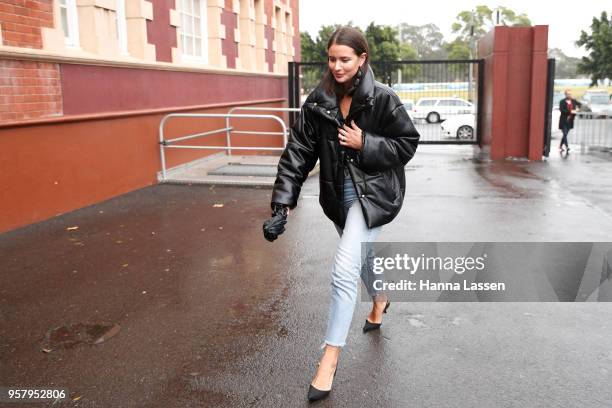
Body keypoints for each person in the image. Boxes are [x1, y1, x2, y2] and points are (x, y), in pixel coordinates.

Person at [262, 26, 420, 402]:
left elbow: (407, 143)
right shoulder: (318, 101)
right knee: (359, 256)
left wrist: (366, 143)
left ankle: (329, 358)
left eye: (345, 59)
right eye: (332, 59)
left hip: (375, 197)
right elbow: (298, 152)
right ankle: (380, 299)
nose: (336, 66)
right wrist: (282, 204)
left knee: (344, 269)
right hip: (338, 197)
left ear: (362, 59)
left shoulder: (382, 99)